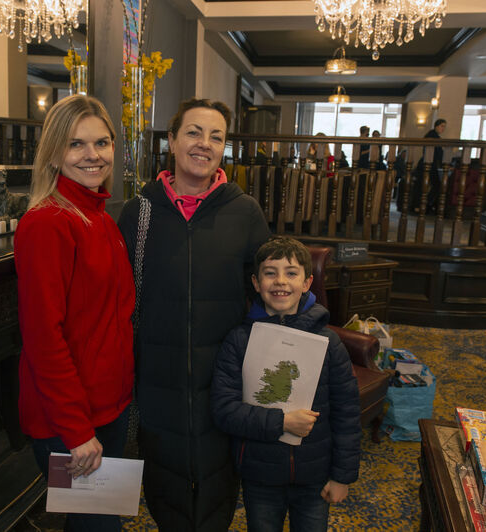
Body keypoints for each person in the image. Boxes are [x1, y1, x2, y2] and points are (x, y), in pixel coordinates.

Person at [118, 98, 270, 531]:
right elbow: (117, 298)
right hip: (156, 377)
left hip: (222, 378)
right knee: (163, 484)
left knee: (219, 482)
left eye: (216, 137)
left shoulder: (245, 212)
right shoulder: (139, 213)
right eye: (194, 132)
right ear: (172, 141)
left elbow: (266, 292)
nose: (204, 144)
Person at [14, 95, 134, 532]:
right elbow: (44, 338)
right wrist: (76, 430)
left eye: (102, 143)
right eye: (76, 144)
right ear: (54, 153)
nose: (92, 155)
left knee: (96, 524)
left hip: (107, 406)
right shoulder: (47, 223)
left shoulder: (98, 216)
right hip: (69, 420)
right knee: (98, 527)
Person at [211, 236, 362, 532]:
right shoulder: (239, 341)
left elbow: (347, 414)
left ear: (307, 283)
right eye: (270, 273)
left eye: (291, 273)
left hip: (315, 476)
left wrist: (342, 476)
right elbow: (224, 409)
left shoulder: (329, 344)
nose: (281, 281)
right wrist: (282, 422)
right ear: (256, 283)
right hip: (260, 474)